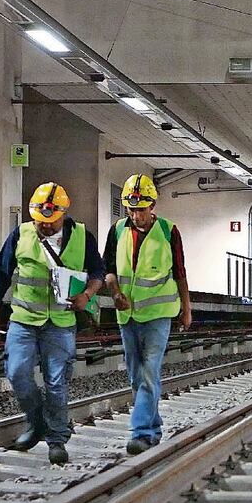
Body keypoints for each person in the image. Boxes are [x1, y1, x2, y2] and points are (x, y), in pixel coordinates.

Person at [0, 182, 105, 465]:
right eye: (40, 221)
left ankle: (57, 439)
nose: (45, 226)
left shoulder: (82, 236)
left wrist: (87, 294)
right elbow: (1, 273)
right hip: (24, 319)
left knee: (57, 382)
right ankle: (37, 421)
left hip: (60, 322)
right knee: (17, 372)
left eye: (50, 222)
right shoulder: (21, 234)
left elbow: (98, 270)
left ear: (63, 214)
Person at [104, 174, 192, 456]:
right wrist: (115, 293)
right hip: (127, 316)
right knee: (134, 374)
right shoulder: (117, 230)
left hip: (158, 314)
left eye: (141, 209)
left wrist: (186, 310)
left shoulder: (168, 231)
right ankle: (153, 428)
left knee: (149, 371)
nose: (136, 215)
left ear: (152, 205)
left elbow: (179, 273)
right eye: (131, 209)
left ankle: (140, 432)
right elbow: (108, 270)